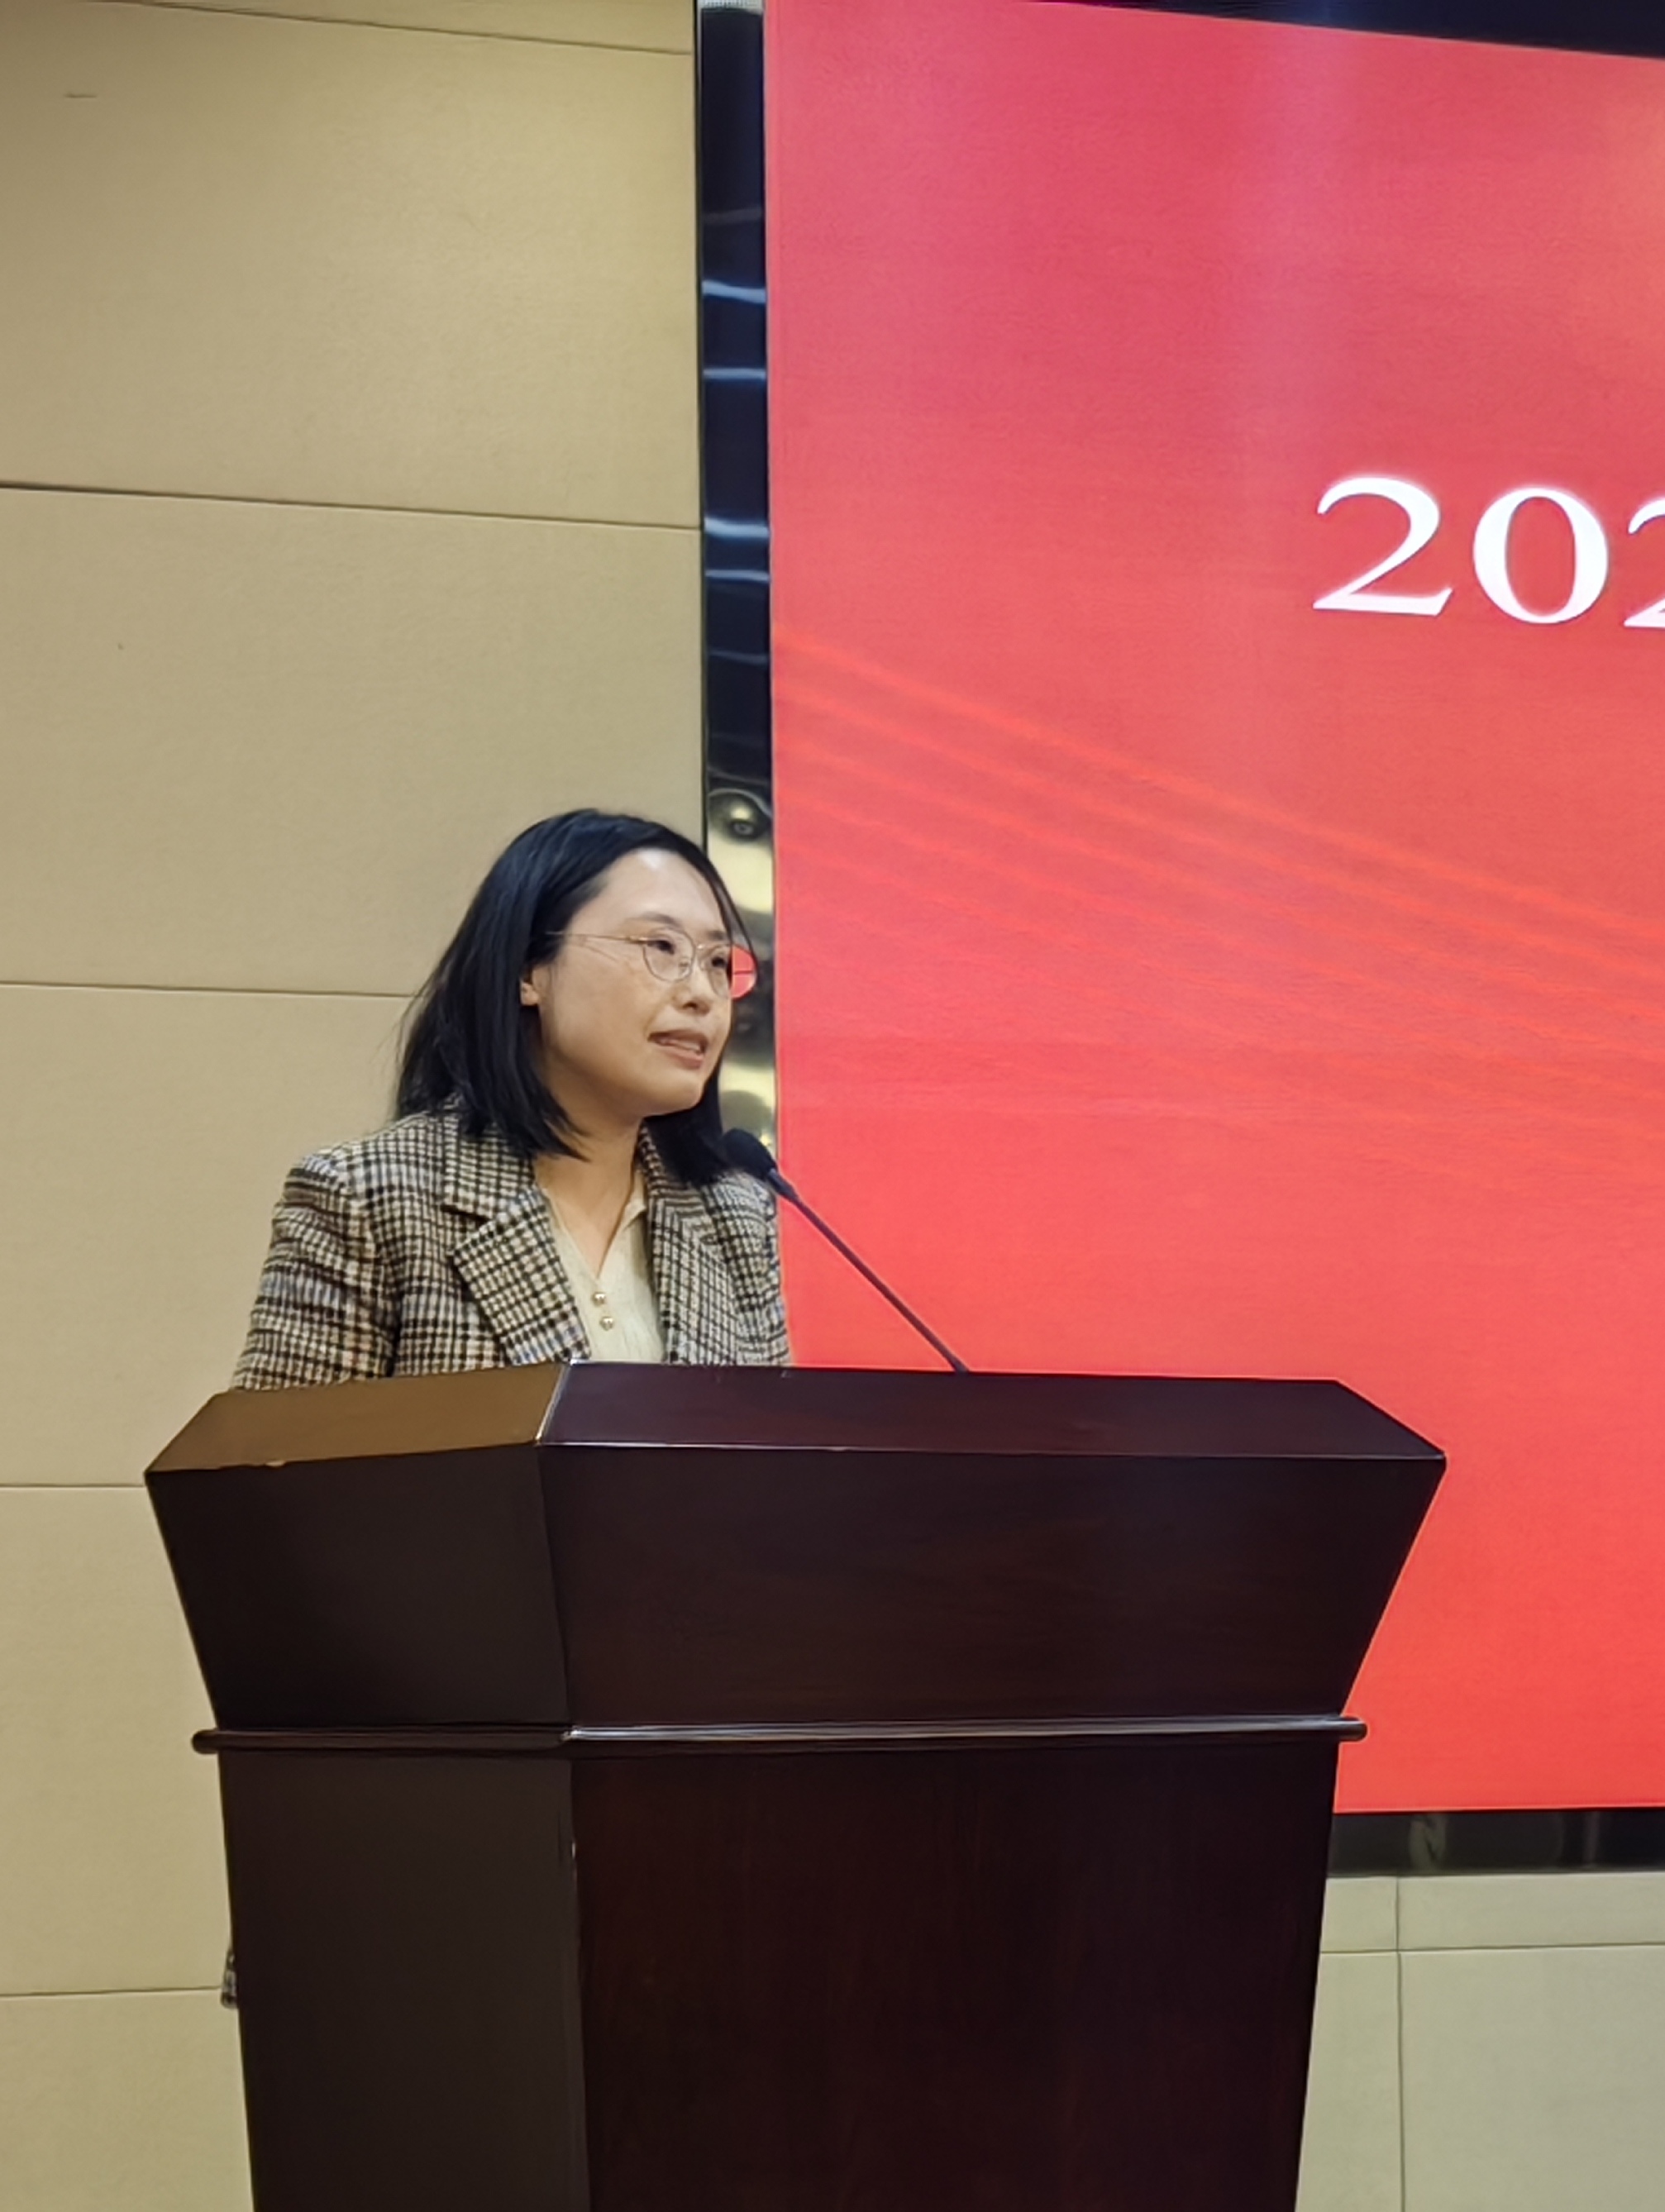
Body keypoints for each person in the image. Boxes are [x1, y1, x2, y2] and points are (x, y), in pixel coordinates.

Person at [234, 809, 789, 1388]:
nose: (701, 993)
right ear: (530, 969)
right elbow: (282, 1448)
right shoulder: (367, 1200)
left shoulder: (736, 1219)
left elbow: (767, 1445)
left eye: (718, 962)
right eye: (661, 946)